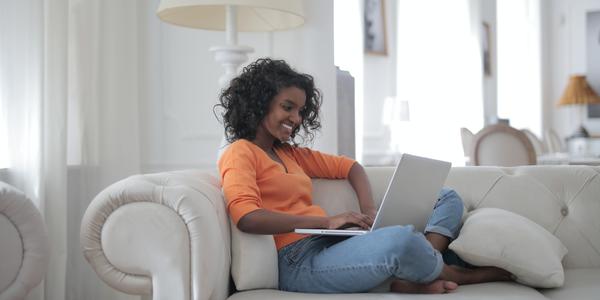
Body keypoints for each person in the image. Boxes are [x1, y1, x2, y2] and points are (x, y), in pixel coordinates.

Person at [215, 58, 512, 294]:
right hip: (296, 262)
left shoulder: (291, 154)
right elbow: (247, 217)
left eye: (301, 110)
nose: (296, 118)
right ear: (259, 102)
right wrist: (325, 222)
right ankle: (445, 269)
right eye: (288, 107)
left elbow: (351, 167)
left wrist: (370, 210)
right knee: (398, 240)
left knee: (446, 196)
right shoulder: (239, 152)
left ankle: (421, 263)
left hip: (329, 244)